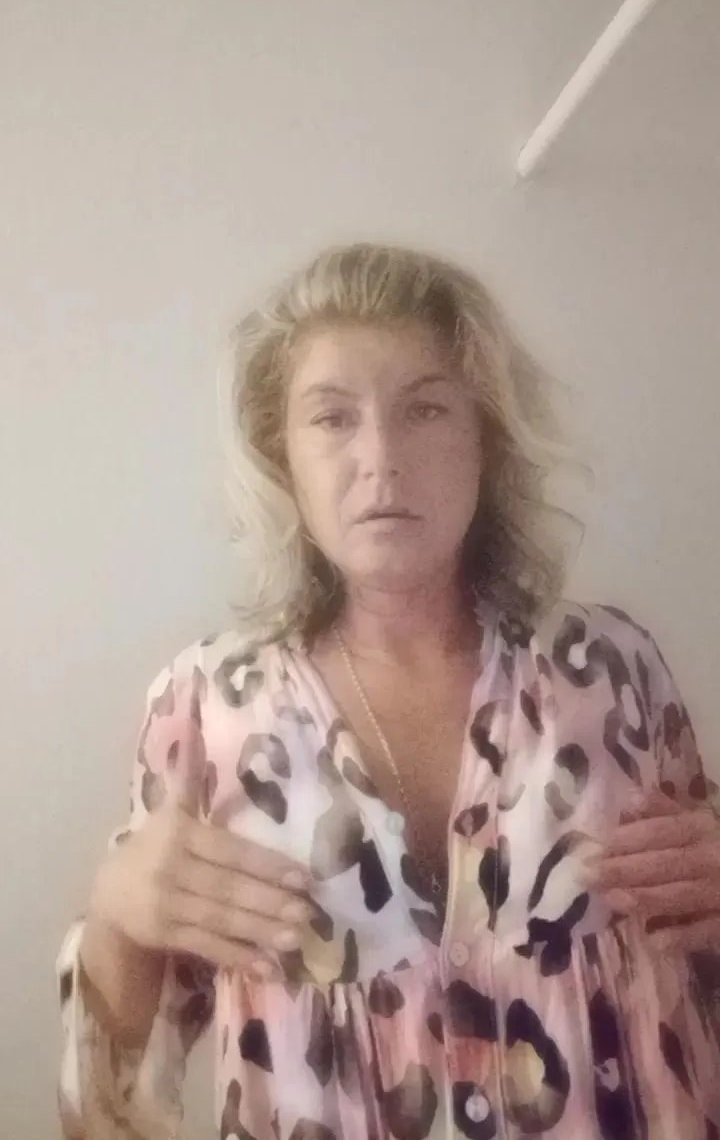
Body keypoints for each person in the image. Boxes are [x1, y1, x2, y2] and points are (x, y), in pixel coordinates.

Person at [57, 243, 720, 1140]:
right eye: (332, 417)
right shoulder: (205, 709)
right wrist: (117, 918)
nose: (382, 459)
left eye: (426, 409)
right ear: (282, 457)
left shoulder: (612, 669)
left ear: (487, 439)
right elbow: (110, 1106)